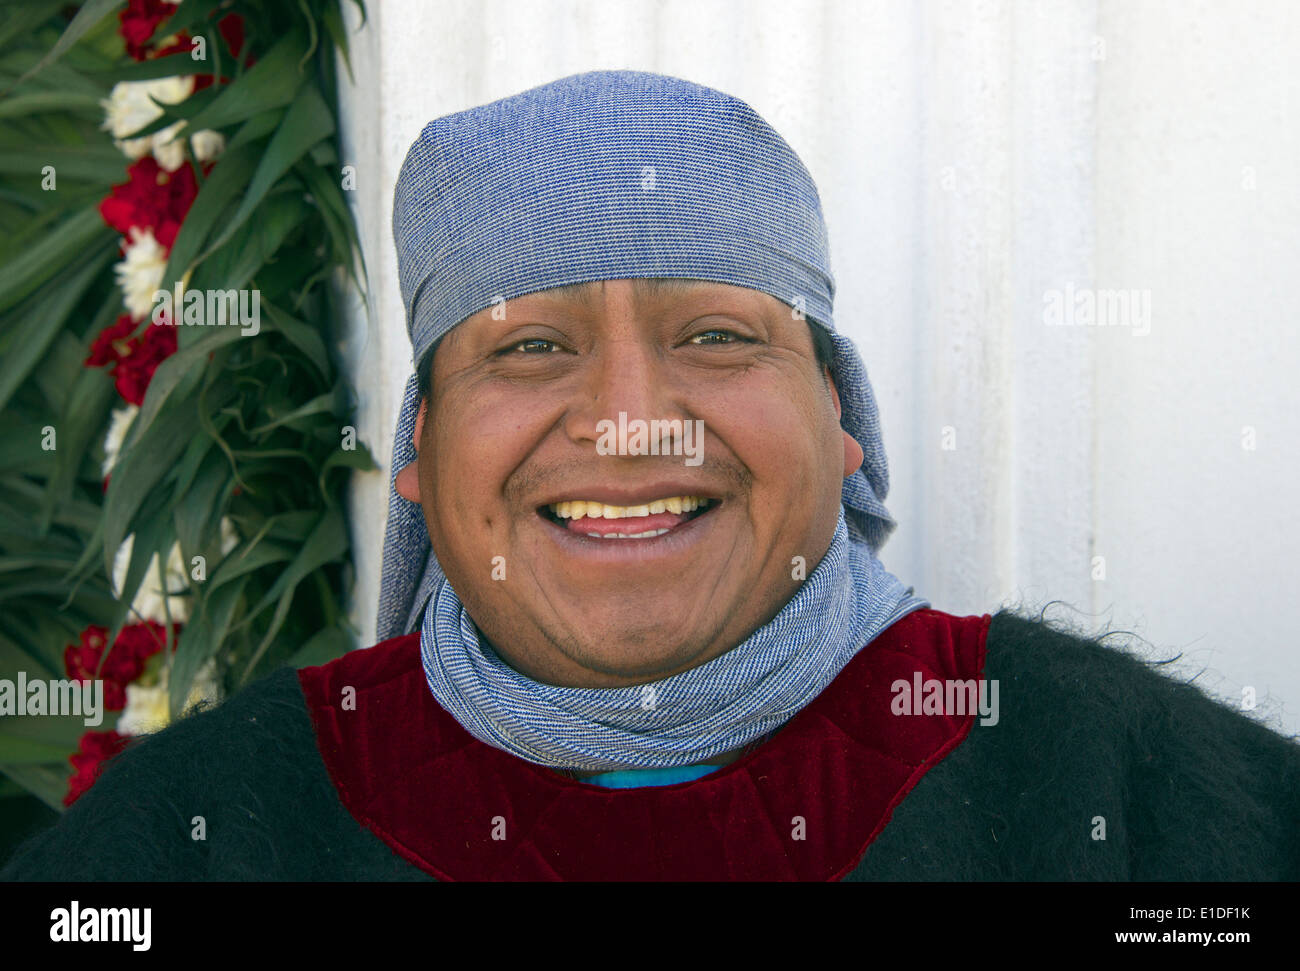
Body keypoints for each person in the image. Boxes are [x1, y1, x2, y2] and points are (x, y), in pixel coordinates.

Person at [4, 69, 1297, 881]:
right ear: (418, 450)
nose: (629, 422)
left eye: (718, 335)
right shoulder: (215, 832)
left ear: (843, 420)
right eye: (529, 347)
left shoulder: (1125, 793)